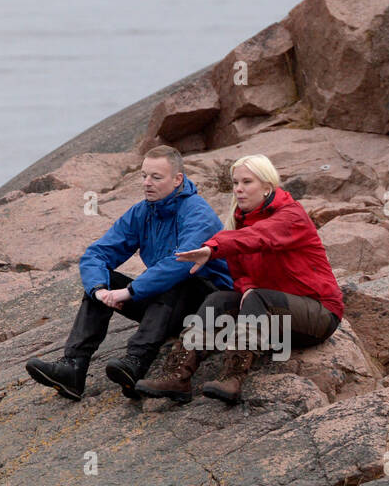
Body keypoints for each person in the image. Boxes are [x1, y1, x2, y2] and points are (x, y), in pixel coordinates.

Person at [25, 146, 233, 401]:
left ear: (178, 179)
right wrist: (100, 290)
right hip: (164, 306)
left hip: (205, 310)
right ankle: (73, 367)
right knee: (103, 279)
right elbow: (96, 254)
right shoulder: (143, 212)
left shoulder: (197, 213)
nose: (147, 183)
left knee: (180, 278)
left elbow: (181, 262)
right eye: (144, 176)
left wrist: (130, 291)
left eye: (156, 177)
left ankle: (136, 361)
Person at [135, 153, 343, 404]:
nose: (238, 189)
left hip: (318, 315)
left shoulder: (291, 215)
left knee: (259, 298)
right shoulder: (238, 222)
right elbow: (240, 273)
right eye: (235, 183)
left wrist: (213, 248)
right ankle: (177, 375)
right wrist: (246, 288)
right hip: (272, 318)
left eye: (247, 182)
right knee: (219, 300)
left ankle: (232, 377)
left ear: (267, 187)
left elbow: (259, 236)